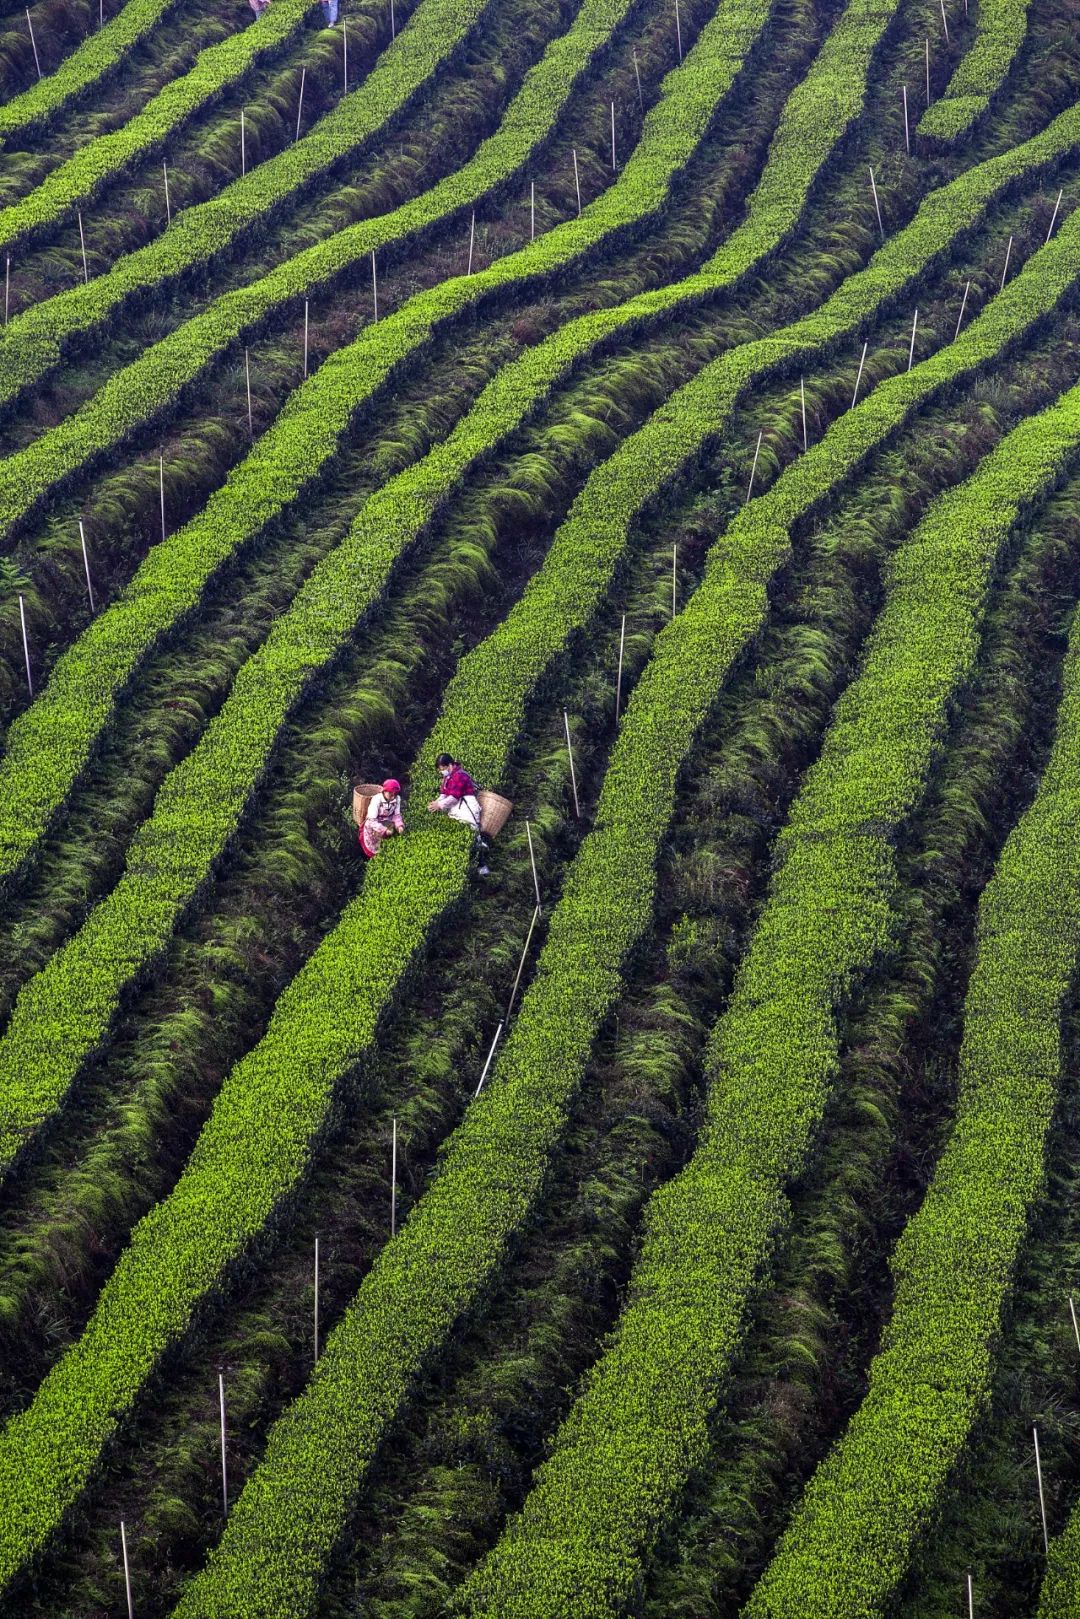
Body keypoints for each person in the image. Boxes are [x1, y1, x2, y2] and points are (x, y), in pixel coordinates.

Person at [427, 754, 489, 872]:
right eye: (440, 770)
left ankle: (482, 866)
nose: (442, 772)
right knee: (465, 835)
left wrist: (439, 805)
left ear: (450, 765)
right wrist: (436, 802)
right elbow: (444, 794)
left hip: (466, 807)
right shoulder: (448, 777)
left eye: (443, 769)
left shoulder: (460, 775)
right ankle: (470, 864)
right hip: (457, 808)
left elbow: (454, 797)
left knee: (473, 835)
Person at [360, 779, 405, 859]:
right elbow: (372, 820)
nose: (393, 796)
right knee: (373, 848)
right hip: (374, 826)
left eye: (395, 793)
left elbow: (396, 815)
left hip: (387, 823)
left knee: (386, 846)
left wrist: (399, 826)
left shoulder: (397, 799)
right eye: (390, 793)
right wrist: (384, 830)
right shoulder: (376, 800)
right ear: (384, 791)